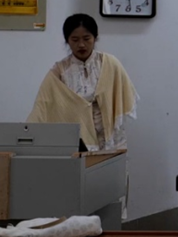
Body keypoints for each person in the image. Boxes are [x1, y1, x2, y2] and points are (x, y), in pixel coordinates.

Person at [27, 13, 139, 217]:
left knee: (112, 193)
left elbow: (124, 95)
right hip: (78, 143)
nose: (81, 45)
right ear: (67, 40)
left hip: (111, 139)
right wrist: (28, 136)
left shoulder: (110, 63)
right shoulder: (59, 71)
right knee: (79, 196)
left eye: (87, 38)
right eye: (74, 39)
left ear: (95, 38)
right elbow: (43, 105)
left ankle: (113, 231)